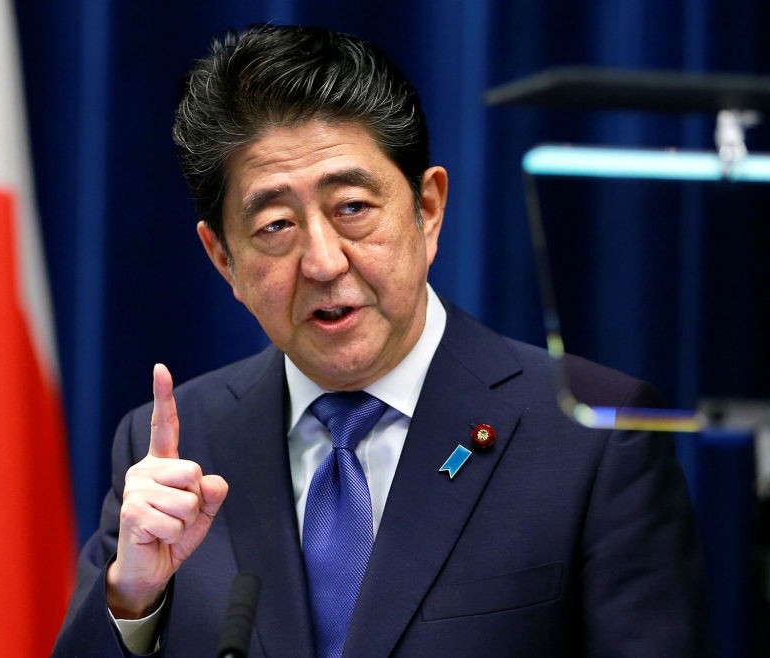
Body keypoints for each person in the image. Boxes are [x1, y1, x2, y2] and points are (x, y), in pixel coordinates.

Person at [53, 24, 711, 657]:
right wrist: (134, 598)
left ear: (428, 209)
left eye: (353, 209)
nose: (323, 262)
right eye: (276, 225)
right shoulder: (175, 447)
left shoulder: (594, 431)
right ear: (223, 258)